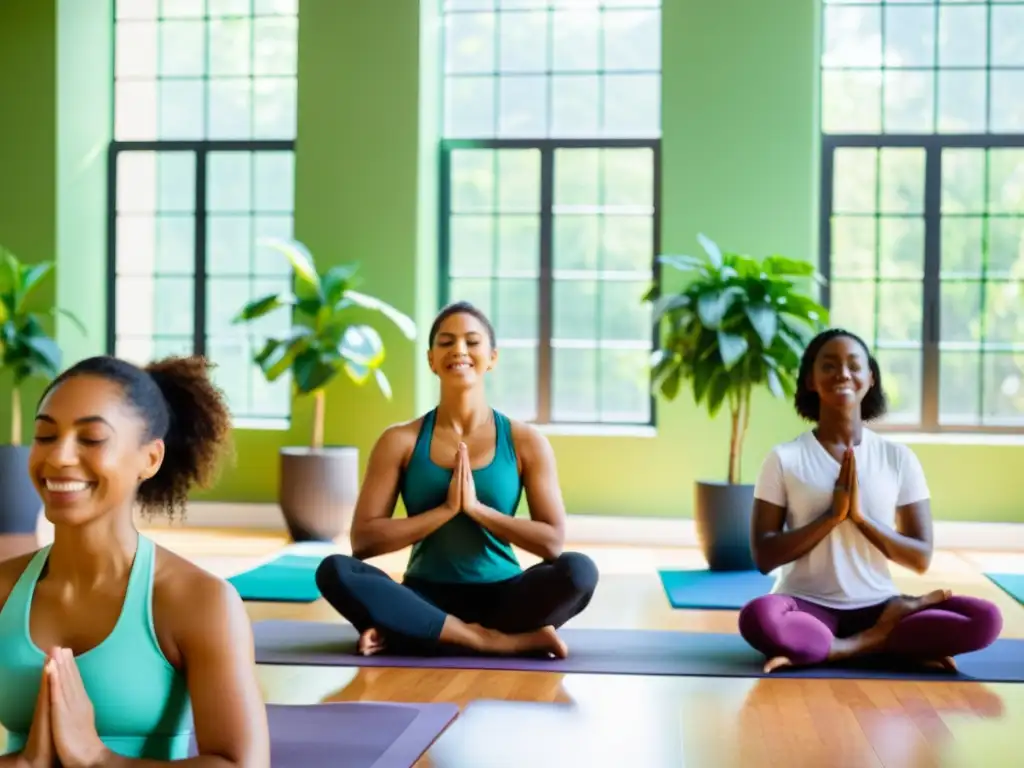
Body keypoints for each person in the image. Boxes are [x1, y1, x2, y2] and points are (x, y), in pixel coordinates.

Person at [0, 355, 270, 766]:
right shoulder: (4, 590)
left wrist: (97, 759)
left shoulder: (199, 602)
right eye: (45, 436)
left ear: (150, 458)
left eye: (90, 439)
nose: (58, 457)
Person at [315, 301, 599, 659]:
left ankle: (418, 632)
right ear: (432, 359)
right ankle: (491, 641)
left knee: (579, 571)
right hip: (424, 595)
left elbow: (552, 543)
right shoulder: (399, 441)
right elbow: (364, 541)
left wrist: (477, 510)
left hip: (505, 597)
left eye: (472, 341)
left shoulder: (526, 441)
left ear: (492, 357)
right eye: (446, 342)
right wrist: (446, 510)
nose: (459, 350)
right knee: (334, 570)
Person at [739, 328, 1003, 674]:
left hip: (881, 604)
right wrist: (832, 517)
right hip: (805, 605)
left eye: (853, 365)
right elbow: (764, 555)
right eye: (829, 365)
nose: (843, 373)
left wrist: (861, 519)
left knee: (985, 618)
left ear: (870, 378)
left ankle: (837, 648)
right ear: (810, 381)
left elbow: (920, 557)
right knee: (759, 617)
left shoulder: (898, 458)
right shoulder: (784, 458)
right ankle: (879, 642)